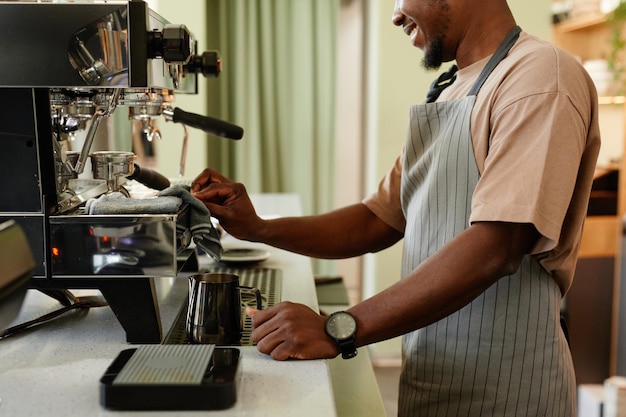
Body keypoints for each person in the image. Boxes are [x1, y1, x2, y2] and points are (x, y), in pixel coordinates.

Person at [191, 0, 601, 415]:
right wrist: (259, 228)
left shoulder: (539, 76)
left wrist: (339, 329)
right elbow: (377, 219)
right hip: (434, 376)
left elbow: (498, 245)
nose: (394, 14)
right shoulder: (455, 87)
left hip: (506, 390)